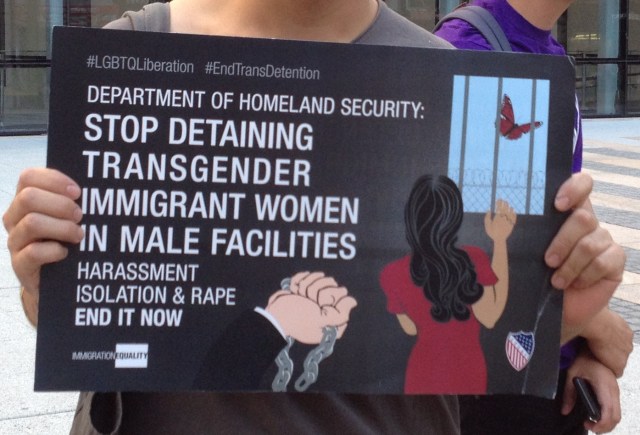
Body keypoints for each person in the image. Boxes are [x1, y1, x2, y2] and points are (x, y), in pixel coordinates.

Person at [2, 0, 625, 433]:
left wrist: (566, 295)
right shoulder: (128, 56)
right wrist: (42, 275)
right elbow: (73, 320)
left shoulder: (459, 87)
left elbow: (482, 342)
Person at [434, 1, 632, 433]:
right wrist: (598, 324)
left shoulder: (549, 53)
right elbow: (472, 275)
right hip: (501, 396)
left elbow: (563, 218)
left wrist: (587, 350)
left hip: (548, 374)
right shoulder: (472, 50)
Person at [380, 175, 516, 393]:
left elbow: (410, 329)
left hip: (421, 370)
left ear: (411, 217)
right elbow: (490, 317)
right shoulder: (473, 258)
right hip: (468, 368)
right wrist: (500, 241)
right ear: (455, 216)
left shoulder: (392, 273)